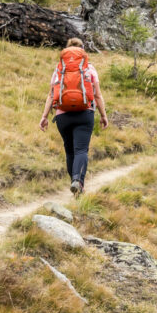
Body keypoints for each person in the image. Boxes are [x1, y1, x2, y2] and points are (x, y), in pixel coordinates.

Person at [39, 37, 109, 195]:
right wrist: (103, 115)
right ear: (82, 51)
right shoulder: (89, 69)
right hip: (85, 114)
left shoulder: (59, 70)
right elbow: (97, 95)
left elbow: (51, 95)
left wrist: (44, 117)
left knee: (70, 151)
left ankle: (76, 184)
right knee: (81, 150)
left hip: (63, 116)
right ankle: (78, 181)